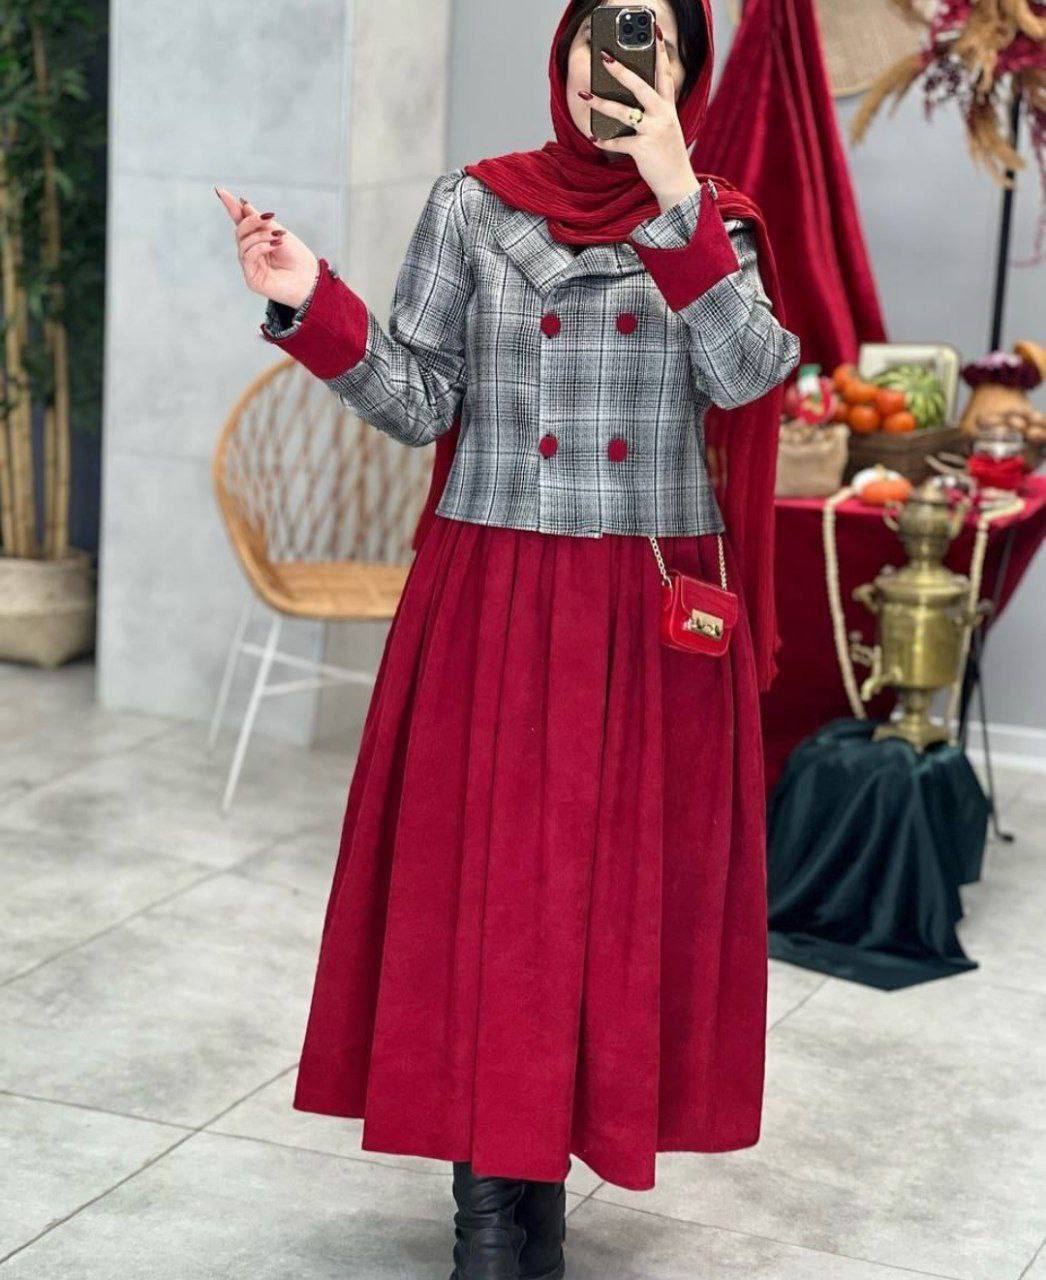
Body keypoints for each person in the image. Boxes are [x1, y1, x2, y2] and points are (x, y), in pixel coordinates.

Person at [216, 1, 800, 1275]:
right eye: (599, 30)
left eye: (647, 38)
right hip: (493, 589)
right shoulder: (471, 205)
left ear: (685, 71)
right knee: (495, 901)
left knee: (605, 907)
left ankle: (540, 1188)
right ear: (563, 49)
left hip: (648, 612)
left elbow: (751, 377)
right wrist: (310, 300)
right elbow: (419, 401)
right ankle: (489, 1221)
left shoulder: (718, 218)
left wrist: (673, 198)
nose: (614, 61)